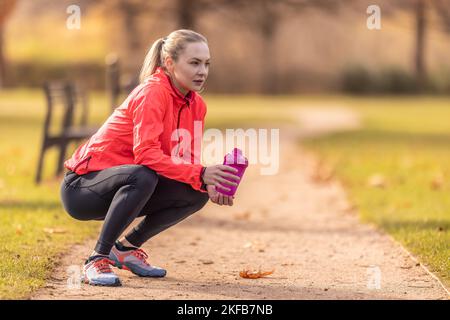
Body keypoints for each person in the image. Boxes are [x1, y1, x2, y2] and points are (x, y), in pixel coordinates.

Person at [60, 29, 241, 287]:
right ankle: (96, 258)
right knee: (143, 174)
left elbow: (186, 161)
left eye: (206, 64)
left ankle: (125, 248)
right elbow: (145, 154)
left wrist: (208, 184)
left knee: (195, 192)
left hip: (130, 184)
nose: (203, 71)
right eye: (194, 62)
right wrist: (200, 173)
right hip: (82, 187)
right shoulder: (152, 93)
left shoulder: (197, 105)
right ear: (169, 63)